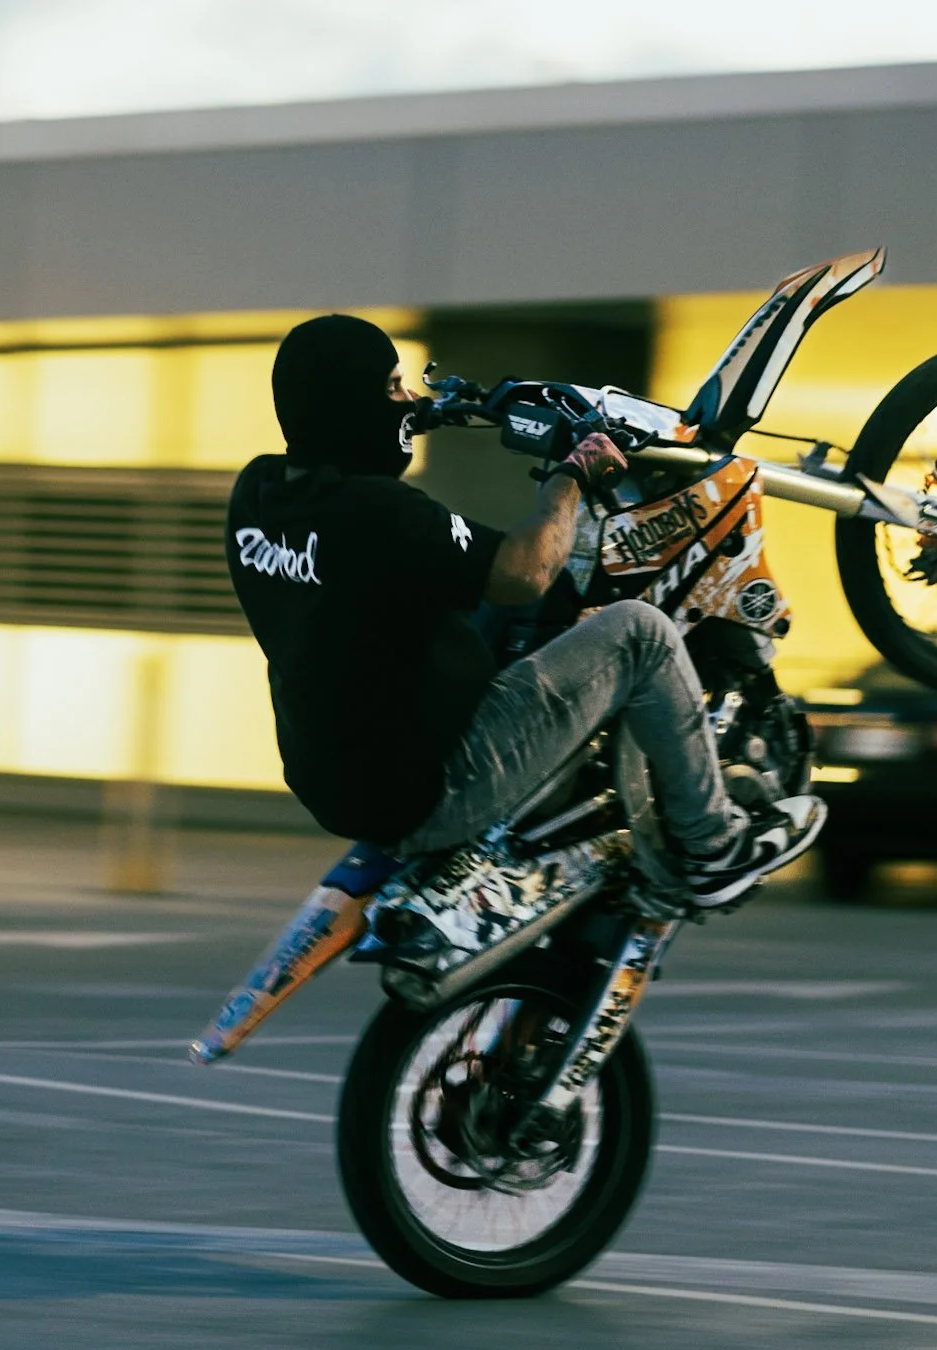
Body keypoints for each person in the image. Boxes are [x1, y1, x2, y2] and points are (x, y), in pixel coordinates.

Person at [226, 313, 822, 908]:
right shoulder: (383, 513)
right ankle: (713, 848)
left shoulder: (259, 493)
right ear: (348, 403)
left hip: (333, 776)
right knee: (641, 633)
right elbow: (524, 573)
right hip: (430, 788)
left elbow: (401, 573)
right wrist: (571, 477)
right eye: (390, 386)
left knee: (526, 617)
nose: (407, 399)